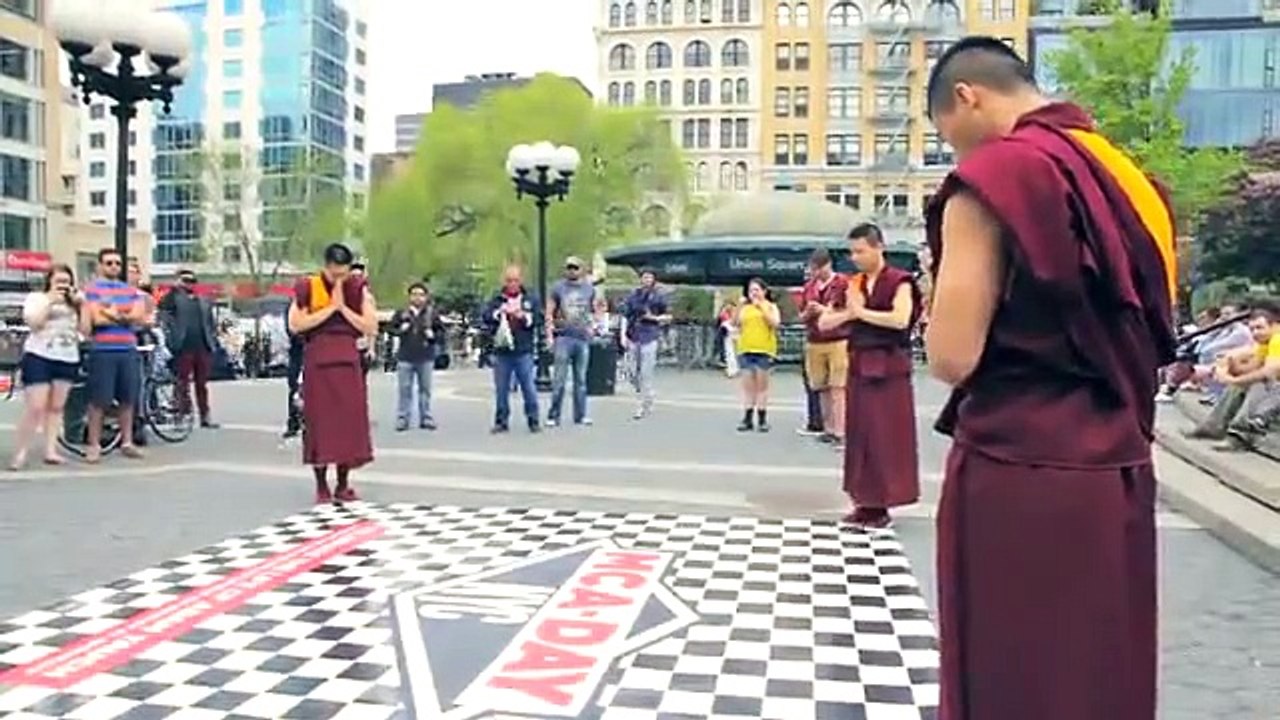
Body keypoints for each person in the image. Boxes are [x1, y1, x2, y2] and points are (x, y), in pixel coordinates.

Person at [922, 37, 1178, 720]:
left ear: (967, 97)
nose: (958, 155)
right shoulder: (1133, 182)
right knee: (1098, 666)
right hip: (1118, 459)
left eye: (950, 137)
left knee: (1015, 669)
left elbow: (952, 356)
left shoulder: (997, 178)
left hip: (1019, 460)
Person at [817, 224, 920, 529]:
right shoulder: (854, 283)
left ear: (879, 248)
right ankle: (864, 501)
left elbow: (899, 319)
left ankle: (883, 504)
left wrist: (861, 314)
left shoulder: (900, 281)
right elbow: (825, 322)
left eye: (861, 251)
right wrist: (851, 313)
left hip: (890, 366)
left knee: (886, 436)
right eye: (852, 252)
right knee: (860, 435)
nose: (855, 257)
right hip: (860, 364)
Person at [287, 243, 377, 504]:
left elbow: (369, 325)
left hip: (347, 362)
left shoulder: (357, 289)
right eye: (335, 273)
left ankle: (343, 484)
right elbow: (297, 324)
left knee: (348, 424)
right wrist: (329, 310)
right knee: (319, 423)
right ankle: (321, 485)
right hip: (318, 362)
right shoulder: (309, 287)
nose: (340, 279)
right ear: (326, 267)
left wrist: (343, 309)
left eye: (344, 274)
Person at [11, 265, 82, 469]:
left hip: (67, 355)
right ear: (49, 281)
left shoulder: (74, 303)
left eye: (67, 282)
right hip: (39, 354)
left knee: (56, 406)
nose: (63, 285)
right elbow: (34, 323)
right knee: (36, 406)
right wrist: (51, 301)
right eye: (59, 281)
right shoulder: (38, 298)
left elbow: (85, 329)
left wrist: (82, 306)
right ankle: (20, 452)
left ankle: (50, 450)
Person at [81, 248, 146, 463]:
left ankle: (126, 442)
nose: (114, 267)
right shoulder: (91, 290)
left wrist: (110, 312)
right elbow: (95, 320)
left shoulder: (130, 290)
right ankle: (94, 444)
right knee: (99, 400)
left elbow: (139, 316)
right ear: (100, 265)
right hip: (103, 350)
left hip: (127, 349)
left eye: (117, 263)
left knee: (128, 398)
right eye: (109, 263)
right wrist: (123, 316)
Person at [1185, 303, 1280, 449]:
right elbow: (1250, 368)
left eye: (1260, 328)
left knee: (1260, 385)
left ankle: (1240, 436)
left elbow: (1268, 372)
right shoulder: (1265, 343)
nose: (1255, 333)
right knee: (1240, 385)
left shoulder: (1278, 339)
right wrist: (1229, 365)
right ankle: (1214, 427)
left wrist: (1233, 378)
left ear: (1275, 326)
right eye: (1252, 329)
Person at [799, 248, 850, 446]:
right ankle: (828, 427)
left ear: (827, 265)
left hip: (838, 339)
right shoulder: (809, 287)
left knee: (838, 386)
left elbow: (844, 309)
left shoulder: (843, 283)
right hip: (814, 340)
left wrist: (822, 310)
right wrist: (808, 313)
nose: (815, 273)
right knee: (820, 386)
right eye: (812, 269)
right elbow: (801, 316)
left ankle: (841, 431)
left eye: (817, 269)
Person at [158, 269, 220, 428]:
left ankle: (205, 416)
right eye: (185, 280)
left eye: (192, 281)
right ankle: (181, 414)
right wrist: (173, 289)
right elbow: (163, 309)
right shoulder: (174, 298)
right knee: (181, 383)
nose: (189, 284)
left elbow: (210, 322)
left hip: (202, 346)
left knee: (202, 383)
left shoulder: (203, 300)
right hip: (183, 346)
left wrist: (212, 339)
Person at [484, 265, 542, 434]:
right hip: (502, 350)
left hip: (523, 350)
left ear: (520, 280)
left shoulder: (530, 298)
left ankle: (533, 419)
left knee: (528, 387)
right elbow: (486, 316)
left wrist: (524, 316)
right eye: (509, 280)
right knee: (501, 389)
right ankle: (501, 421)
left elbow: (538, 318)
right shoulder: (497, 298)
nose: (512, 284)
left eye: (515, 280)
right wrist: (498, 313)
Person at [546, 256, 598, 427]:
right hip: (563, 337)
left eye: (575, 268)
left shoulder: (588, 289)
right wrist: (549, 335)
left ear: (581, 269)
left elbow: (595, 308)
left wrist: (594, 326)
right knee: (559, 380)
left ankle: (580, 415)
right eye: (569, 267)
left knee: (580, 380)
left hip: (581, 337)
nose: (572, 271)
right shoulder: (558, 288)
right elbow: (549, 312)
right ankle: (554, 415)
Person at [389, 281, 444, 431]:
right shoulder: (402, 313)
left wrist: (433, 335)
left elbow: (441, 332)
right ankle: (403, 418)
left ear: (426, 297)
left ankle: (426, 417)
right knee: (404, 389)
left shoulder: (431, 313)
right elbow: (391, 329)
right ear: (409, 296)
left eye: (421, 295)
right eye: (414, 294)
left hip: (425, 356)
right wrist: (401, 329)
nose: (418, 298)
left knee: (425, 389)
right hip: (405, 356)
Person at [620, 269, 670, 420]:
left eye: (650, 277)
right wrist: (623, 335)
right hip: (634, 335)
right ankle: (647, 394)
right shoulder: (633, 295)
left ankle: (641, 404)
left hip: (650, 335)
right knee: (631, 372)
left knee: (646, 372)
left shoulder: (659, 297)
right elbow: (625, 314)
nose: (647, 280)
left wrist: (654, 318)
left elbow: (668, 316)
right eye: (644, 277)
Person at [734, 277, 780, 432]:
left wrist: (762, 308)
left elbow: (775, 323)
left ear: (764, 292)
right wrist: (738, 307)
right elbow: (735, 323)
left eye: (757, 290)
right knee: (748, 386)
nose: (753, 293)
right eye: (751, 290)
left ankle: (762, 418)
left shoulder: (770, 306)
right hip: (746, 348)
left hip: (764, 349)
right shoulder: (746, 308)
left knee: (762, 386)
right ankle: (747, 417)